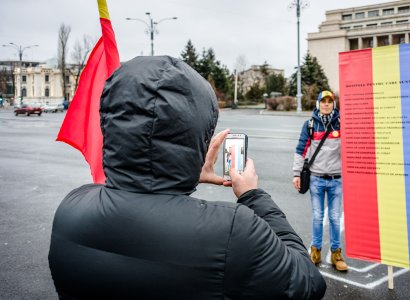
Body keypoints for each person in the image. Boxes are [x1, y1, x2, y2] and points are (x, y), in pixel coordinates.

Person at [48, 56, 326, 300]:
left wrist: (187, 174)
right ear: (197, 133)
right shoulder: (233, 232)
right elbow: (307, 283)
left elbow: (150, 196)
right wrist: (252, 195)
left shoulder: (71, 208)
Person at [292, 91, 348, 272]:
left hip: (337, 180)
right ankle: (315, 252)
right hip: (315, 179)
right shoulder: (309, 125)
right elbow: (301, 150)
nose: (326, 104)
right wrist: (296, 174)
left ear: (334, 104)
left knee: (334, 218)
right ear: (318, 104)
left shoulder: (342, 123)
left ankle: (336, 254)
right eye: (323, 101)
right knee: (317, 217)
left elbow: (353, 148)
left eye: (329, 101)